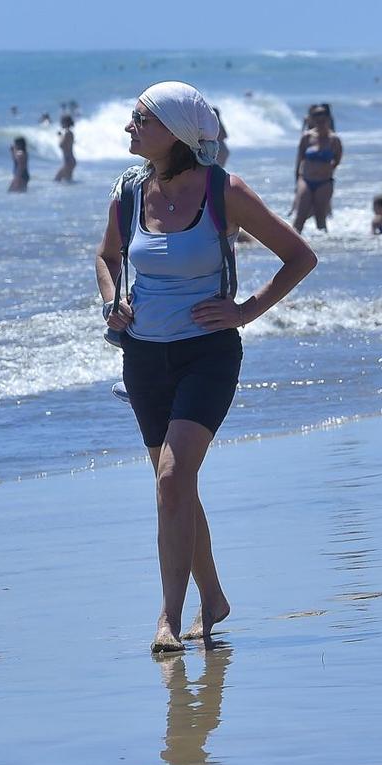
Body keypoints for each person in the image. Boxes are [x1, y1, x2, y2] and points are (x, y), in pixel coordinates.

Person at [95, 82, 317, 654]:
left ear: (175, 131)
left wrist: (245, 310)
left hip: (208, 353)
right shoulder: (128, 192)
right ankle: (213, 598)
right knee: (176, 487)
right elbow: (107, 256)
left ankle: (168, 618)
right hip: (143, 357)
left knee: (172, 479)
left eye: (140, 118)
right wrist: (111, 301)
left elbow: (300, 256)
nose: (129, 128)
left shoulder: (225, 192)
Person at [292, 104, 343, 233]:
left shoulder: (334, 140)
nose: (320, 122)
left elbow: (337, 160)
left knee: (321, 218)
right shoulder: (307, 138)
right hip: (306, 180)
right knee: (300, 217)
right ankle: (292, 246)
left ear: (328, 119)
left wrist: (326, 170)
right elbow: (299, 162)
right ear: (312, 119)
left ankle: (323, 247)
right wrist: (297, 183)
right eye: (316, 118)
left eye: (323, 118)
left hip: (324, 182)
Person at [53, 115, 77, 183]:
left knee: (56, 179)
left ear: (65, 123)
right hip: (71, 159)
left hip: (68, 161)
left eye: (62, 122)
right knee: (68, 181)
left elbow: (61, 145)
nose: (61, 124)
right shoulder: (71, 133)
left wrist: (59, 136)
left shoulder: (66, 133)